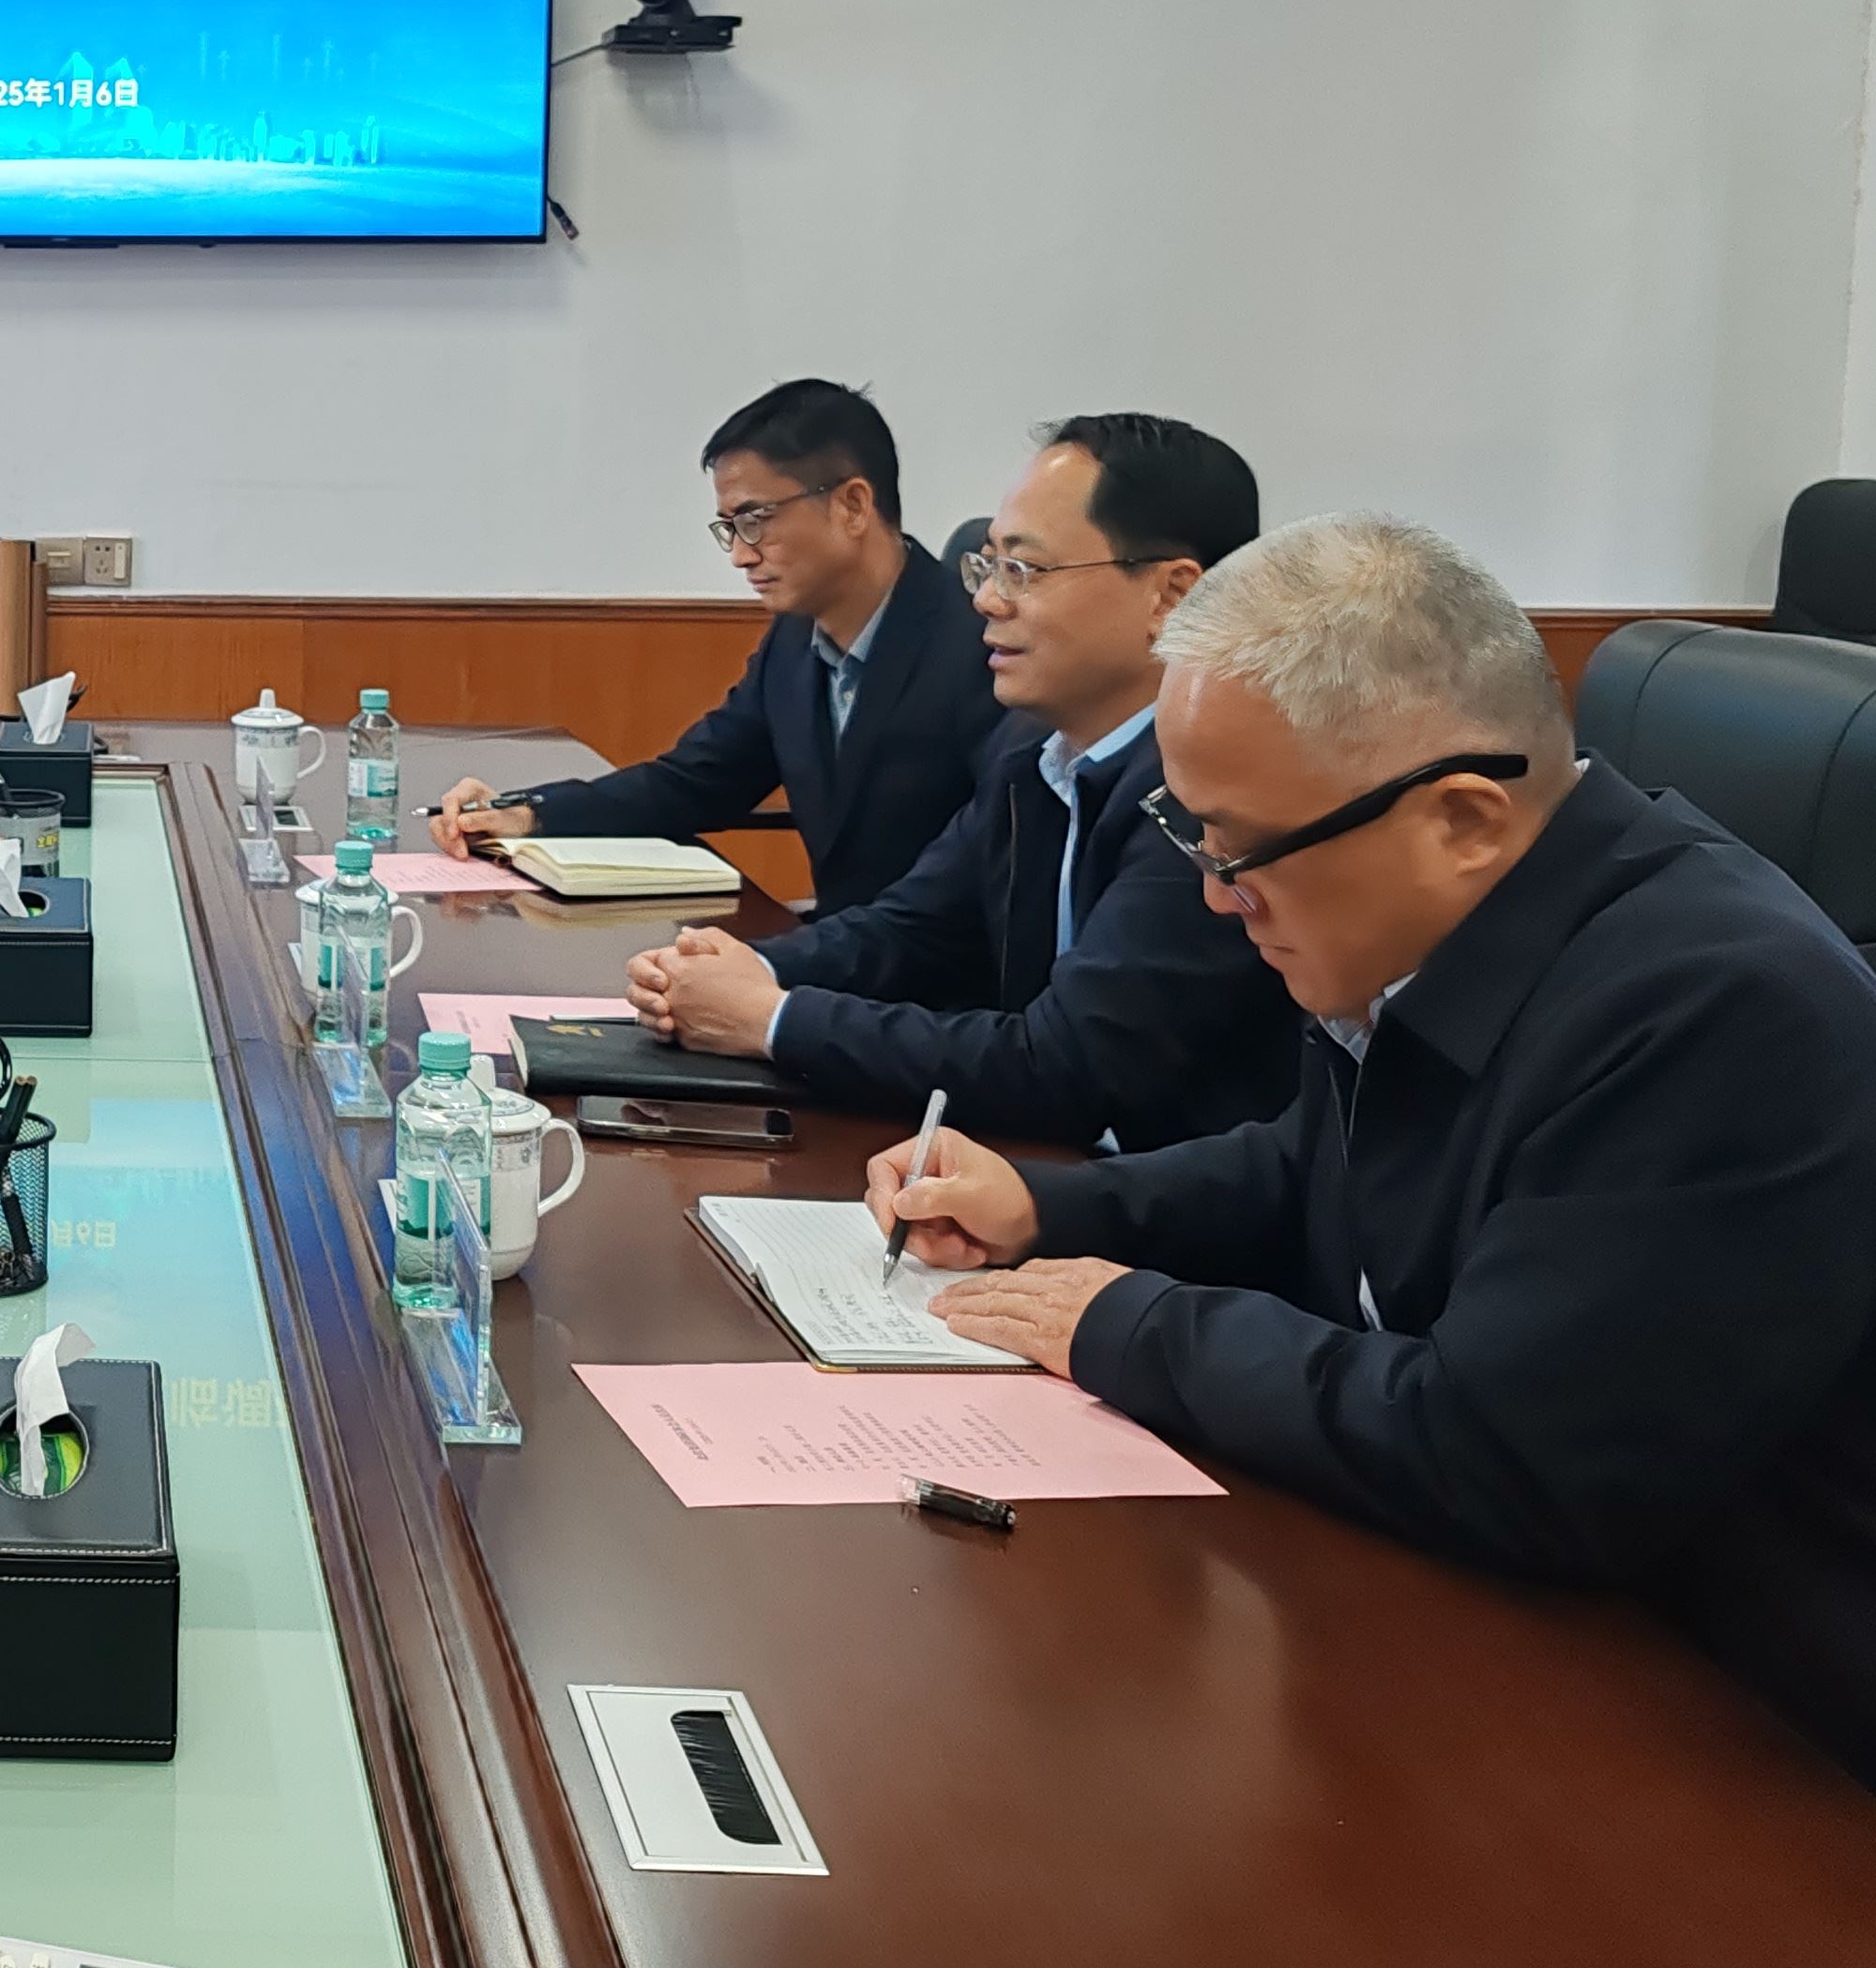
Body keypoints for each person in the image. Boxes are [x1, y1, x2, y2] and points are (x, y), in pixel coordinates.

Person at [878, 515, 1876, 1787]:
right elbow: (1315, 1163)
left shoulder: (1717, 1010)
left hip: (1748, 1737)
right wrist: (1048, 1206)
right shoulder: (1432, 924)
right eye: (1195, 836)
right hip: (1514, 1636)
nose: (1215, 894)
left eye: (1241, 849)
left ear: (1461, 818)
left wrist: (1132, 1324)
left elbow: (1499, 1455)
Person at [628, 414, 1295, 1151]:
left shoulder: (1214, 796)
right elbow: (912, 927)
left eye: (1025, 571)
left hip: (1170, 1195)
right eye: (989, 567)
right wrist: (736, 969)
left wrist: (771, 1019)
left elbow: (1062, 1066)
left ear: (1170, 597)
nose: (985, 600)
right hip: (1043, 1168)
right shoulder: (1032, 747)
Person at [434, 379, 998, 915]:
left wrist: (777, 966)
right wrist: (527, 814)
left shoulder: (983, 651)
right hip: (840, 957)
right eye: (729, 528)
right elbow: (695, 782)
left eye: (755, 520)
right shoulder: (795, 640)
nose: (740, 556)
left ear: (852, 506)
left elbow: (971, 893)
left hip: (929, 973)